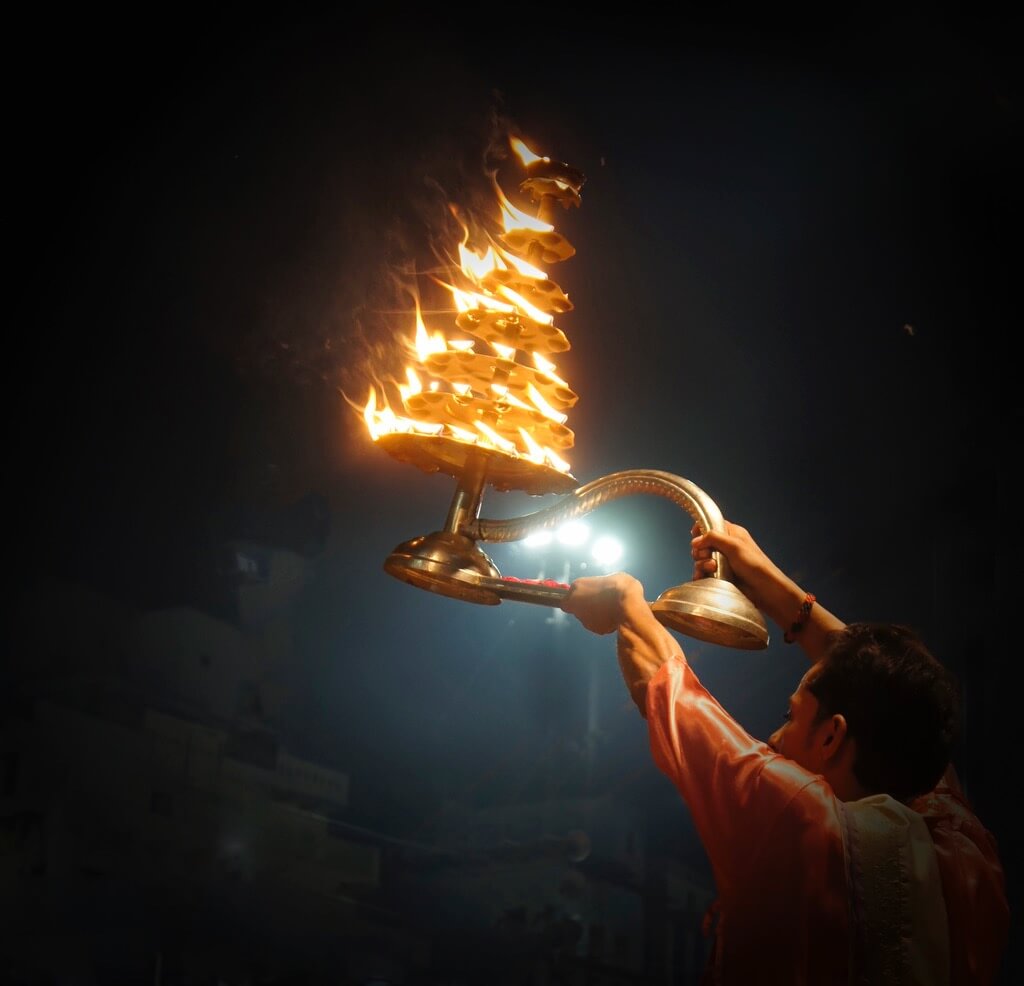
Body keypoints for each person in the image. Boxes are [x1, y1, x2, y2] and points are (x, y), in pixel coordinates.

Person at [560, 520, 1009, 986]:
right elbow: (894, 690)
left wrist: (622, 599)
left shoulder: (803, 824)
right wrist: (766, 579)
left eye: (790, 716)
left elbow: (665, 687)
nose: (774, 737)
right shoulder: (966, 851)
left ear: (832, 737)